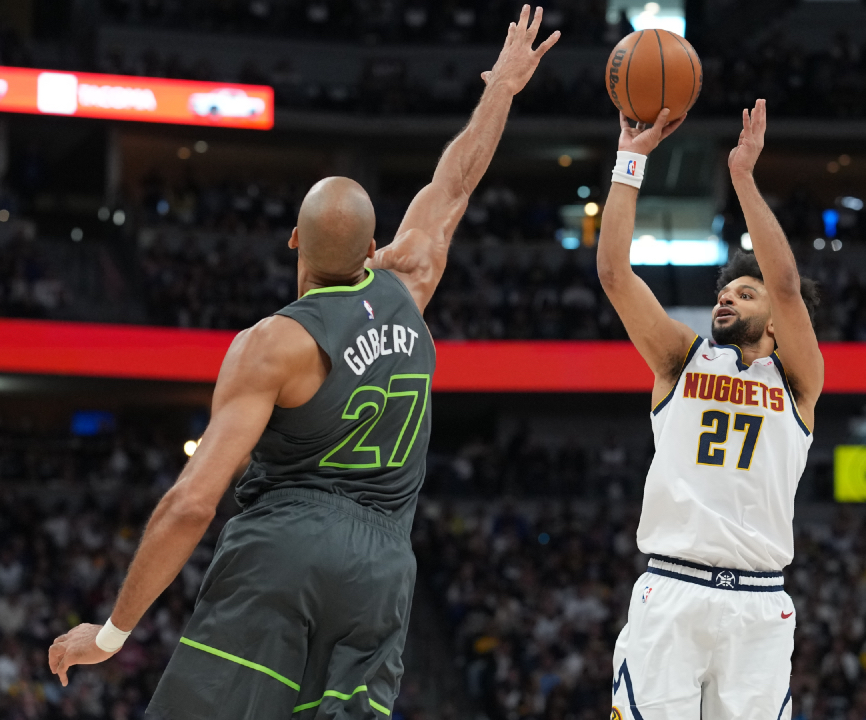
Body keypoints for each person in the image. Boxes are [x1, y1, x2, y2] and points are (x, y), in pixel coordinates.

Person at [46, 8, 559, 719]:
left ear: (294, 240)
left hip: (283, 546)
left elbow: (192, 502)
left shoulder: (271, 344)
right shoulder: (411, 281)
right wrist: (501, 87)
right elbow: (455, 184)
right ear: (373, 246)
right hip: (384, 567)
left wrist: (111, 633)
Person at [597, 99, 823, 720]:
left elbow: (784, 284)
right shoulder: (681, 360)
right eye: (723, 292)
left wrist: (743, 178)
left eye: (743, 294)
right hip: (673, 587)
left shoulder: (798, 383)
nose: (725, 298)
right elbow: (614, 273)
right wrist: (629, 162)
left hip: (760, 604)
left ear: (775, 323)